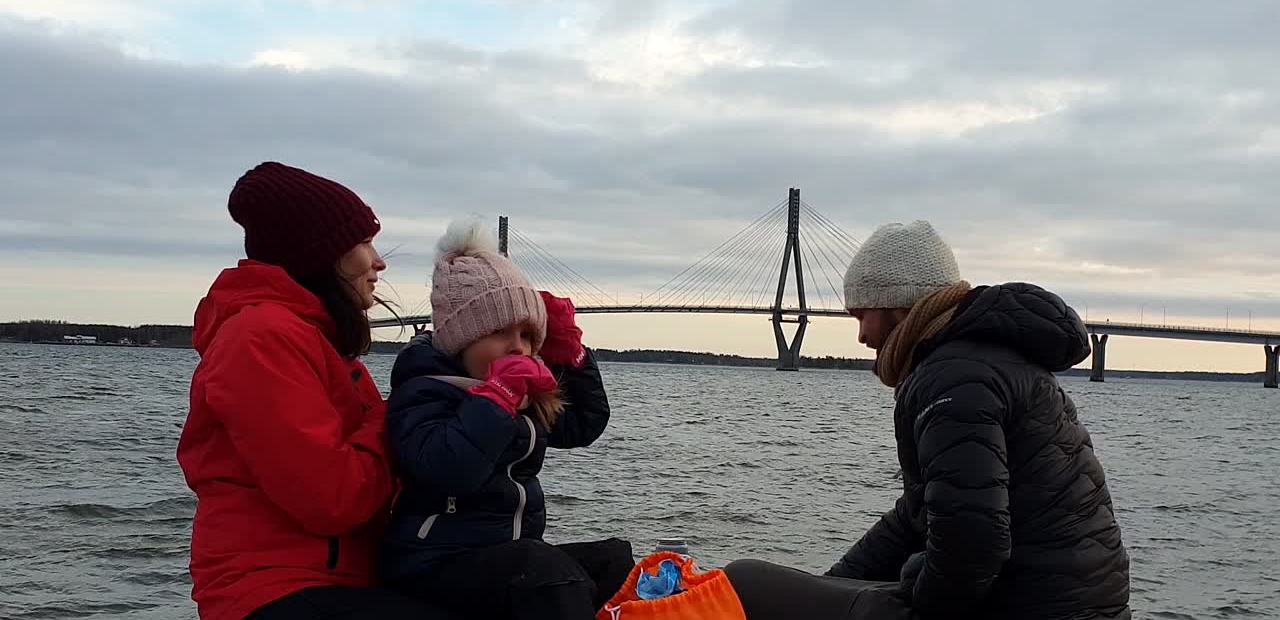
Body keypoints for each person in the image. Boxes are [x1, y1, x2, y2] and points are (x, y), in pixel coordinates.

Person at [726, 220, 1130, 620]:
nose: (861, 337)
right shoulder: (987, 360)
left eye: (861, 314)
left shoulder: (952, 376)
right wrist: (835, 582)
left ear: (897, 307)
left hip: (1029, 607)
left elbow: (973, 541)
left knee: (746, 584)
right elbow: (920, 513)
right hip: (1072, 604)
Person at [176, 161, 459, 620]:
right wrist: (396, 415)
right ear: (321, 255)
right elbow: (334, 499)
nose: (379, 261)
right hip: (270, 590)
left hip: (336, 581)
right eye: (364, 242)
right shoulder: (260, 338)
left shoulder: (316, 341)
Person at [379, 218, 633, 620]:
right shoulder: (425, 390)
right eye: (500, 332)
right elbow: (447, 468)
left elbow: (584, 423)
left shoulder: (520, 398)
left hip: (504, 557)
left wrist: (574, 356)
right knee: (546, 573)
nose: (518, 347)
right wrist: (497, 399)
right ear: (460, 338)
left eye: (528, 335)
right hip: (432, 564)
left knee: (614, 561)